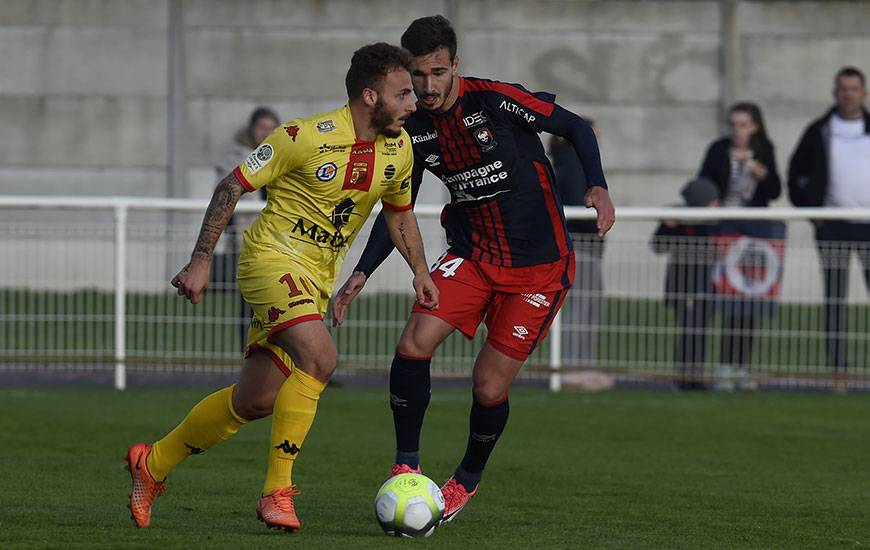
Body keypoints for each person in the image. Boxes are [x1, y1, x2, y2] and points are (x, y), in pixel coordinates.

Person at [124, 43, 439, 532]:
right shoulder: (303, 135)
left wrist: (419, 270)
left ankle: (154, 464)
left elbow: (399, 216)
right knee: (322, 359)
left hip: (315, 278)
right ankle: (276, 493)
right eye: (404, 95)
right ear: (370, 95)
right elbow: (231, 185)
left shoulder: (399, 148)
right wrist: (201, 260)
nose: (414, 103)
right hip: (270, 260)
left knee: (255, 401)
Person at [332, 15, 615, 524]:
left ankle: (466, 480)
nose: (428, 86)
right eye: (417, 75)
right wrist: (362, 271)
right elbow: (398, 208)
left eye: (438, 72)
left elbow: (574, 126)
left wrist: (597, 184)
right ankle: (406, 465)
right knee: (412, 344)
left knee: (488, 386)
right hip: (473, 256)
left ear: (455, 64)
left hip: (539, 269)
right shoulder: (411, 130)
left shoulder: (495, 100)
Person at [788, 66, 870, 374]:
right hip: (832, 225)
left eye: (854, 89)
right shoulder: (820, 130)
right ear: (835, 93)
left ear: (864, 93)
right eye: (843, 89)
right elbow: (796, 174)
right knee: (834, 297)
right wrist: (814, 216)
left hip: (868, 224)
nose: (849, 94)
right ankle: (838, 366)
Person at [697, 102, 781, 390]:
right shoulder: (718, 149)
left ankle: (742, 366)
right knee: (728, 299)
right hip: (725, 231)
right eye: (733, 124)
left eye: (743, 124)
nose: (737, 130)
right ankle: (724, 367)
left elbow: (775, 191)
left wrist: (761, 173)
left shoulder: (764, 150)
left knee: (750, 302)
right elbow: (703, 183)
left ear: (755, 126)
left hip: (754, 232)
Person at [213, 107, 280, 346]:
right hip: (247, 240)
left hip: (279, 241)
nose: (266, 133)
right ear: (251, 129)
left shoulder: (283, 155)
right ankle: (249, 355)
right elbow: (226, 194)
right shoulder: (237, 159)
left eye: (271, 128)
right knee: (249, 303)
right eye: (262, 127)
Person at [651, 178, 720, 390]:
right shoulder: (682, 222)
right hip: (684, 287)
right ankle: (685, 376)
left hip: (704, 287)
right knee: (689, 331)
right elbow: (658, 245)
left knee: (699, 332)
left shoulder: (711, 223)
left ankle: (695, 375)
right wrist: (667, 224)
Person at [549, 124, 606, 369]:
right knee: (580, 310)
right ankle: (574, 368)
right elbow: (578, 206)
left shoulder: (570, 163)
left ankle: (582, 366)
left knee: (589, 309)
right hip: (580, 246)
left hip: (583, 246)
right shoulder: (573, 165)